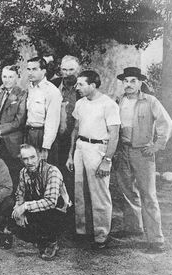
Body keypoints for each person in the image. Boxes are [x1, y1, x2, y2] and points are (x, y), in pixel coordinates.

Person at [113, 67, 172, 253]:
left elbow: (166, 123)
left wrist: (157, 145)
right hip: (122, 150)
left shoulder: (150, 101)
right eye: (126, 81)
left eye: (133, 81)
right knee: (127, 191)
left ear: (140, 83)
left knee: (148, 194)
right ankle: (133, 227)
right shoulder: (119, 100)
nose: (129, 84)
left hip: (143, 152)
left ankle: (156, 239)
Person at [66, 70, 120, 249]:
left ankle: (101, 236)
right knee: (79, 191)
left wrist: (107, 160)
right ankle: (82, 231)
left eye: (81, 84)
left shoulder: (109, 104)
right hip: (81, 147)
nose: (77, 87)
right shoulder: (80, 103)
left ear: (93, 85)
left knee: (99, 193)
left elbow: (114, 135)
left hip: (98, 149)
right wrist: (70, 154)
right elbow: (75, 128)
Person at [12, 144, 71, 260]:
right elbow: (20, 193)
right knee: (13, 216)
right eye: (25, 159)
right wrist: (18, 209)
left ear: (39, 157)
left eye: (32, 157)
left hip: (59, 210)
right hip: (38, 207)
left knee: (47, 216)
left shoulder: (52, 171)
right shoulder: (23, 172)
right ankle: (40, 237)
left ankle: (52, 242)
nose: (29, 162)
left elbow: (50, 202)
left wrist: (25, 207)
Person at [51, 55, 82, 231]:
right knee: (56, 177)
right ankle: (57, 220)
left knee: (73, 180)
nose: (67, 73)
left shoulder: (82, 87)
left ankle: (74, 222)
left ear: (78, 70)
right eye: (64, 69)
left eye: (71, 70)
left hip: (76, 140)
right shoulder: (53, 85)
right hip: (55, 139)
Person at [0, 65, 27, 188]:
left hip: (12, 142)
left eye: (11, 77)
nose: (7, 80)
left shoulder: (22, 94)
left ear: (17, 78)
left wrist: (0, 131)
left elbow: (19, 120)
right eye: (4, 76)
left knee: (13, 175)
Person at [25, 57, 62, 165]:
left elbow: (52, 122)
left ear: (44, 71)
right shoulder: (30, 88)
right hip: (29, 134)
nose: (30, 73)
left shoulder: (51, 91)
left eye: (34, 69)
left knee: (44, 170)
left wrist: (46, 147)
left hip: (42, 135)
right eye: (28, 69)